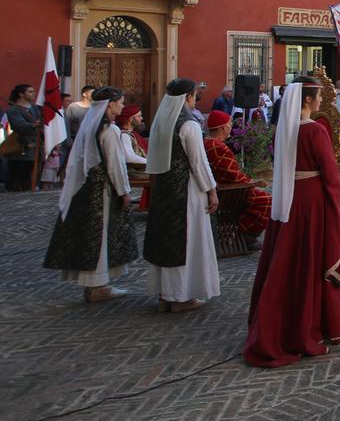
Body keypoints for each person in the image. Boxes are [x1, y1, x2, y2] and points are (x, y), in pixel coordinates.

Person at [244, 78, 340, 367]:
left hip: (288, 200)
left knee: (286, 260)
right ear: (307, 100)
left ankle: (279, 322)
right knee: (309, 260)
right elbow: (330, 174)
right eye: (318, 96)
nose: (320, 101)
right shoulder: (315, 131)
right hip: (311, 202)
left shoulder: (284, 129)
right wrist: (336, 205)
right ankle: (306, 327)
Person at [42, 87, 139, 302]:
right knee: (100, 235)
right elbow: (115, 165)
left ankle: (94, 284)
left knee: (90, 235)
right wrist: (124, 191)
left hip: (85, 189)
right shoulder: (109, 130)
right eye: (121, 102)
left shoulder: (90, 126)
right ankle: (98, 286)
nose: (122, 105)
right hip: (101, 191)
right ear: (111, 104)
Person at [143, 78, 220, 312]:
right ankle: (180, 296)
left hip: (163, 190)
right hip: (187, 191)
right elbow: (198, 162)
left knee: (166, 240)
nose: (195, 99)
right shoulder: (189, 125)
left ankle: (165, 293)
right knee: (187, 241)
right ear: (188, 97)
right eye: (194, 95)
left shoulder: (161, 122)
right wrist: (211, 190)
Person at [203, 110, 271, 246]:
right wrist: (253, 182)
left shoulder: (207, 143)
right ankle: (246, 235)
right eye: (229, 124)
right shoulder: (218, 147)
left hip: (222, 189)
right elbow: (233, 175)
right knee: (267, 201)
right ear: (223, 128)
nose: (231, 127)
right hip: (227, 193)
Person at [5, 84, 41, 192]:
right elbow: (18, 125)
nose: (34, 93)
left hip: (36, 143)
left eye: (33, 91)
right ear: (21, 94)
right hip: (22, 144)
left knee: (30, 171)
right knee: (19, 170)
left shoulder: (35, 108)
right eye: (30, 91)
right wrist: (34, 125)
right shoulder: (14, 109)